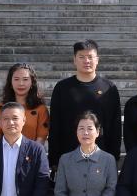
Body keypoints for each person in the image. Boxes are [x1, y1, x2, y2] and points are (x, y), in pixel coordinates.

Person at [49, 40, 121, 168]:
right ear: (74, 60)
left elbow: (114, 126)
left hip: (101, 157)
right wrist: (54, 159)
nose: (86, 61)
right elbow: (55, 124)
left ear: (97, 60)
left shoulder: (109, 88)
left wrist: (114, 156)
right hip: (68, 155)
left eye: (90, 57)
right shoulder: (62, 88)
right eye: (81, 57)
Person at [0, 63, 49, 145]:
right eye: (16, 79)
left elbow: (41, 139)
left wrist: (31, 152)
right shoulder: (0, 108)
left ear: (32, 82)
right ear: (10, 82)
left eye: (25, 79)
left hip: (31, 151)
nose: (21, 83)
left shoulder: (40, 109)